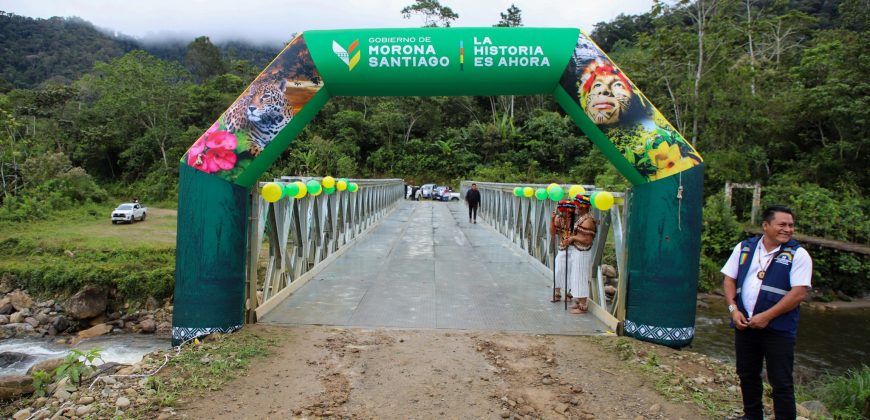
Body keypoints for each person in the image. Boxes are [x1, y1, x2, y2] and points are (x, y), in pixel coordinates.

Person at [721, 205, 812, 420]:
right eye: (782, 224)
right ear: (765, 226)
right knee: (747, 374)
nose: (788, 229)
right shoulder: (744, 248)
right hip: (745, 324)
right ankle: (752, 416)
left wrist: (767, 316)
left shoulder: (798, 255)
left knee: (781, 381)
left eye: (790, 225)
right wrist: (733, 310)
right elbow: (729, 279)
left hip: (778, 329)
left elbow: (798, 293)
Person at [565, 194, 596, 314]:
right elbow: (579, 235)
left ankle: (583, 305)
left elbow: (588, 240)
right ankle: (579, 301)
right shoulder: (582, 218)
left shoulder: (588, 221)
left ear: (583, 207)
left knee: (580, 277)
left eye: (577, 205)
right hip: (577, 251)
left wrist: (573, 239)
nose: (575, 208)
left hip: (583, 253)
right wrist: (572, 237)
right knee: (575, 276)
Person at [550, 200, 576, 303]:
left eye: (569, 211)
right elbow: (553, 233)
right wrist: (552, 220)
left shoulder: (577, 219)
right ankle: (557, 292)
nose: (567, 213)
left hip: (575, 248)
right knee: (559, 269)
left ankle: (570, 292)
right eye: (564, 211)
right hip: (562, 247)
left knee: (572, 270)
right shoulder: (558, 218)